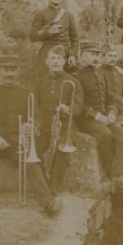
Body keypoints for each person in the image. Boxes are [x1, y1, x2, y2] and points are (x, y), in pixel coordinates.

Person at [0, 51, 58, 216]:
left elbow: (37, 117)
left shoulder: (26, 94)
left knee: (31, 157)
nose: (9, 74)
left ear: (17, 71)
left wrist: (32, 126)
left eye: (12, 70)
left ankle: (47, 201)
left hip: (19, 142)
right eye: (5, 70)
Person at [73, 42, 123, 190]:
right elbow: (78, 104)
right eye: (91, 55)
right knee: (106, 134)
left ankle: (118, 174)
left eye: (97, 55)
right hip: (84, 119)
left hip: (104, 116)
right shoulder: (76, 75)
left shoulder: (98, 74)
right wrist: (96, 116)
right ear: (81, 55)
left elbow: (110, 97)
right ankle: (110, 174)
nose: (95, 58)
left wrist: (112, 112)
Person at [35, 45, 83, 194]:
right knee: (34, 151)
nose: (55, 61)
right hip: (44, 125)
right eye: (52, 58)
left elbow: (78, 104)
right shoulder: (40, 82)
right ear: (46, 62)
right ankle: (42, 184)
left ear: (64, 62)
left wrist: (68, 109)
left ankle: (52, 189)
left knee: (62, 150)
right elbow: (35, 106)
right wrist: (35, 123)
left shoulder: (73, 81)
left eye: (59, 58)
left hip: (65, 126)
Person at [30, 0, 79, 77]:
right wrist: (48, 32)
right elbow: (32, 36)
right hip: (47, 54)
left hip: (65, 54)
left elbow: (75, 39)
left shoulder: (68, 15)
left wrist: (72, 54)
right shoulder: (41, 14)